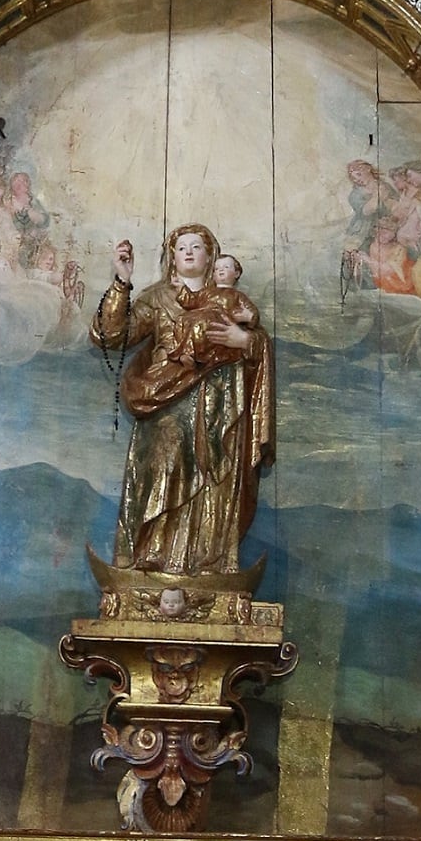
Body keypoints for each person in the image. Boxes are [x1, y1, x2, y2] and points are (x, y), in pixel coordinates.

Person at [92, 223, 274, 576]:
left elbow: (257, 342)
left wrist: (245, 341)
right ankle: (154, 560)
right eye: (181, 247)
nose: (189, 252)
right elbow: (111, 335)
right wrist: (121, 282)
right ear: (172, 257)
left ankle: (209, 564)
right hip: (165, 402)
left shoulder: (228, 297)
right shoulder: (158, 297)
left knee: (216, 481)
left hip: (222, 408)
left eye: (197, 246)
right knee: (165, 471)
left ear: (211, 256)